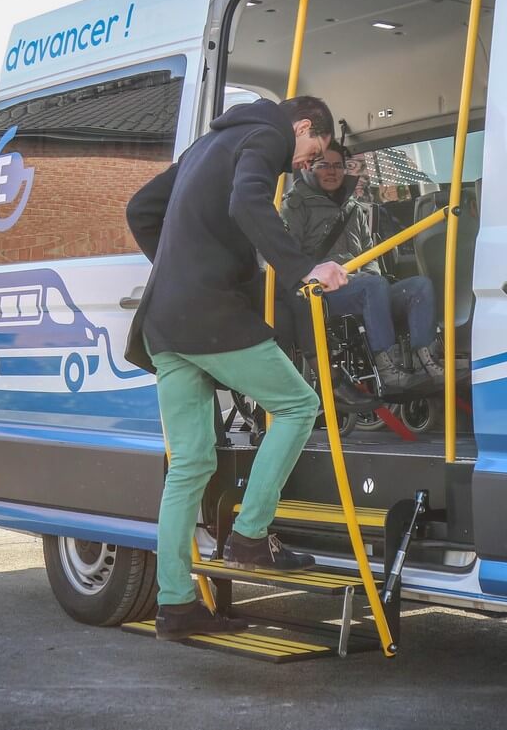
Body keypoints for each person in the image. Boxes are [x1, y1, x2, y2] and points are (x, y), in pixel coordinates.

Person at [124, 95, 346, 642]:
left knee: (190, 465)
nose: (308, 163)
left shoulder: (207, 143)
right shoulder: (267, 137)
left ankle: (175, 606)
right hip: (209, 317)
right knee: (298, 405)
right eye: (313, 150)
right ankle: (250, 534)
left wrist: (182, 267)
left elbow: (140, 209)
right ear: (301, 126)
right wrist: (302, 268)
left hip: (164, 323)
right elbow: (249, 203)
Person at [281, 141, 444, 394]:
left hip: (363, 284)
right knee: (373, 285)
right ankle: (389, 371)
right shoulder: (295, 206)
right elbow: (287, 256)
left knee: (419, 286)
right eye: (324, 165)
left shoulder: (353, 209)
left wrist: (368, 274)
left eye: (338, 166)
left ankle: (428, 363)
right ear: (309, 167)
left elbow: (369, 255)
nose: (333, 171)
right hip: (321, 293)